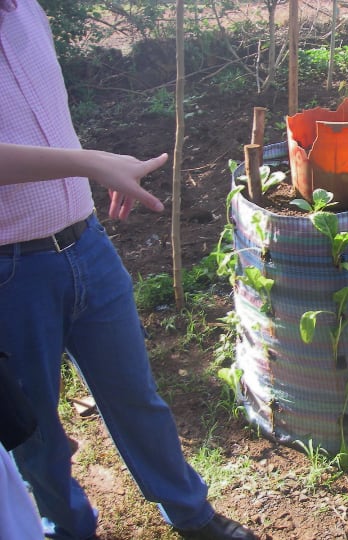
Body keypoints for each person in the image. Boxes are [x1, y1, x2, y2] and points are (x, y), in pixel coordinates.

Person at [0, 1, 258, 539]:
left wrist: (94, 168)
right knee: (36, 428)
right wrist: (90, 162)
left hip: (87, 243)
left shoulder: (27, 12)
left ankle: (191, 514)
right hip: (10, 271)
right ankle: (67, 529)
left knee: (135, 394)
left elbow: (45, 123)